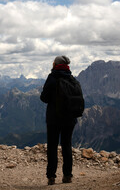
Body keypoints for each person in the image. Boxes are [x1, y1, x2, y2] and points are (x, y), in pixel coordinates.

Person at [40, 55, 77, 185]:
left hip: (54, 119)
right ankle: (67, 176)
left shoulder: (52, 78)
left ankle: (51, 177)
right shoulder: (72, 79)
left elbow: (43, 98)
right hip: (70, 119)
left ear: (56, 64)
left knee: (52, 147)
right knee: (67, 146)